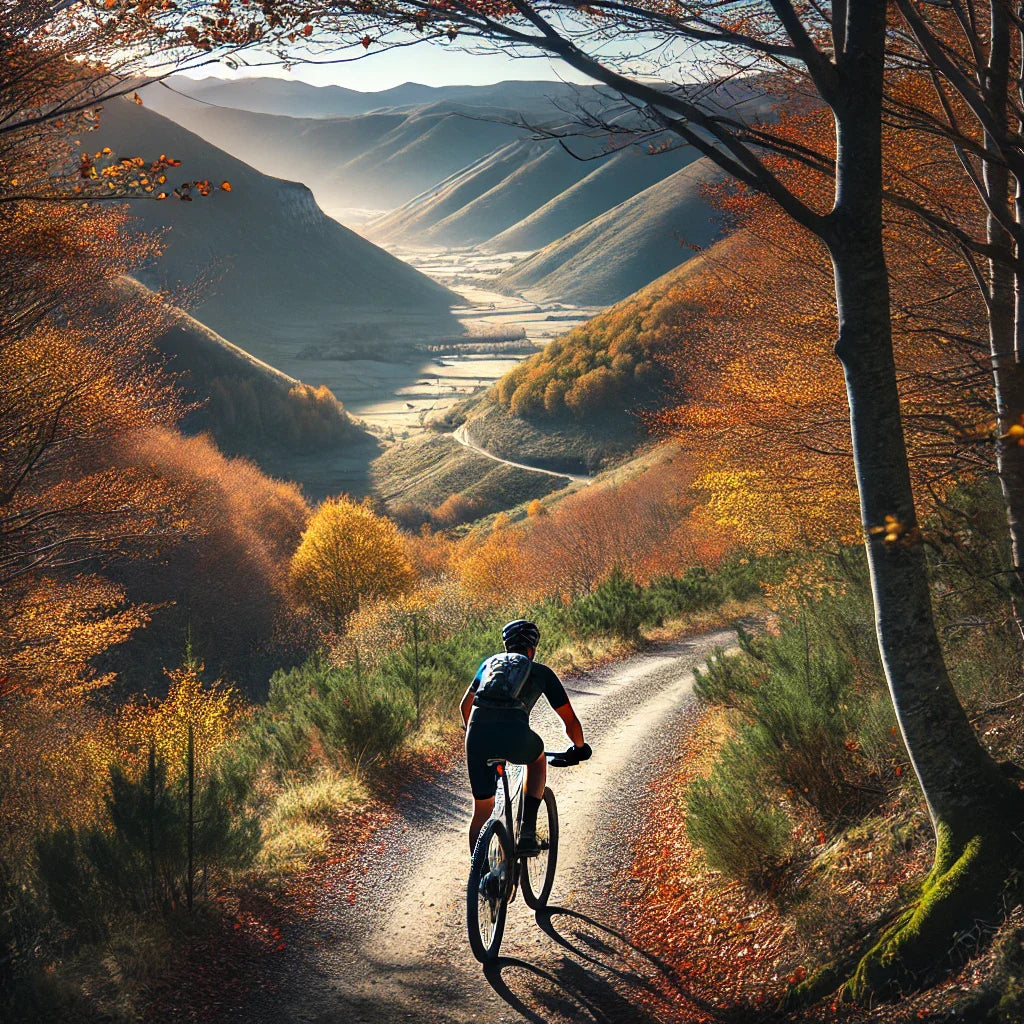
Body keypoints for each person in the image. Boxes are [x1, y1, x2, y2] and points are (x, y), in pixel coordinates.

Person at [460, 619, 591, 856]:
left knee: (481, 811)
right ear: (532, 649)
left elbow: (465, 706)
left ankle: (480, 874)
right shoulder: (540, 672)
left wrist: (476, 737)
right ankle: (528, 832)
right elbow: (570, 721)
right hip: (515, 734)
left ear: (507, 646)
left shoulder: (488, 665)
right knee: (537, 759)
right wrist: (579, 748)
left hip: (477, 735)